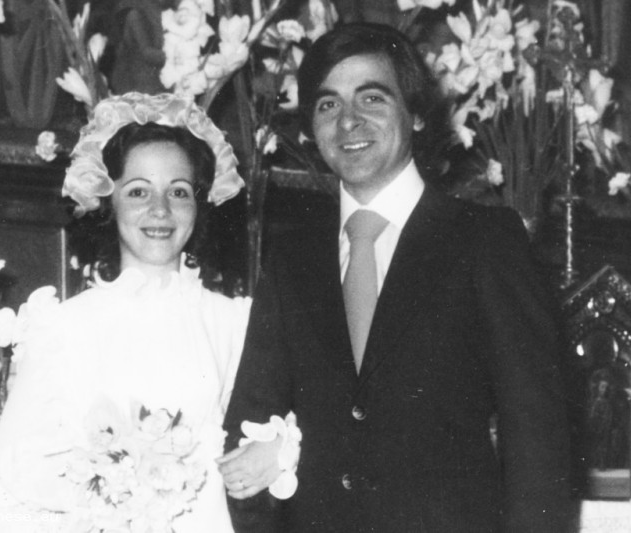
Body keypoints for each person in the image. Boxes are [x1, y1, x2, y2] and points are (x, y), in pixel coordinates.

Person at [222, 23, 572, 532]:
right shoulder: (292, 260)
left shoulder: (484, 240)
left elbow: (538, 437)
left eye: (372, 98)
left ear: (417, 114)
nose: (348, 121)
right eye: (328, 105)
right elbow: (250, 425)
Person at [0, 93, 297, 532]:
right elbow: (12, 463)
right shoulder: (64, 326)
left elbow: (296, 421)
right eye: (138, 191)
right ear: (108, 202)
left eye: (179, 191)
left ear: (199, 205)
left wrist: (279, 446)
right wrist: (111, 484)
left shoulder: (233, 322)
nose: (160, 209)